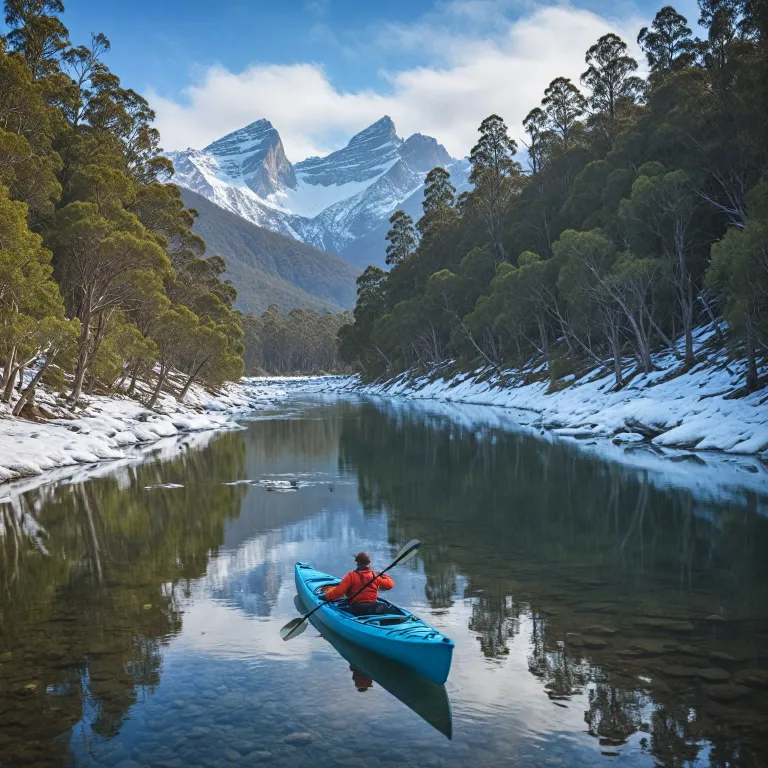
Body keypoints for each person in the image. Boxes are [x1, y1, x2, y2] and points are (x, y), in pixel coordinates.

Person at [322, 552, 394, 616]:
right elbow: (389, 585)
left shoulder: (351, 576)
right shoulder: (374, 576)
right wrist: (383, 575)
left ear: (357, 563)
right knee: (381, 605)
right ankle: (373, 614)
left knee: (346, 603)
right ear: (369, 563)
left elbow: (338, 592)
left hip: (357, 608)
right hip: (372, 604)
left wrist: (326, 596)